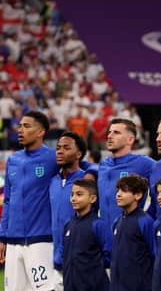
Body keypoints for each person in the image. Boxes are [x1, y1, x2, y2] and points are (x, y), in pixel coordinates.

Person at [0, 111, 59, 291]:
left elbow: (80, 169)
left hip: (41, 240)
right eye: (19, 126)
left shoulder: (53, 158)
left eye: (27, 126)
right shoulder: (13, 160)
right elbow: (8, 200)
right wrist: (2, 236)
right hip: (13, 240)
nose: (20, 130)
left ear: (41, 132)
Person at [98, 118, 156, 227]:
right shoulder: (103, 164)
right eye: (109, 132)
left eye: (116, 132)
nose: (110, 136)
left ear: (130, 140)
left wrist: (148, 220)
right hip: (105, 236)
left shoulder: (144, 163)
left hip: (131, 234)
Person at [61, 179, 111, 291]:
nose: (73, 198)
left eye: (79, 194)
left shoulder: (99, 225)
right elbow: (64, 252)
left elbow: (109, 255)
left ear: (92, 198)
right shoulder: (68, 224)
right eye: (72, 194)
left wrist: (91, 268)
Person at [49, 132, 87, 276]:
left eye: (66, 148)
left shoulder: (87, 179)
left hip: (81, 256)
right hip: (56, 257)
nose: (60, 151)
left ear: (78, 154)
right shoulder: (53, 181)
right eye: (58, 147)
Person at [111, 174, 155, 291]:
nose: (118, 194)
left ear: (138, 195)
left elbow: (154, 256)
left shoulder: (145, 222)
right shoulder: (117, 220)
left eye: (124, 191)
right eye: (118, 190)